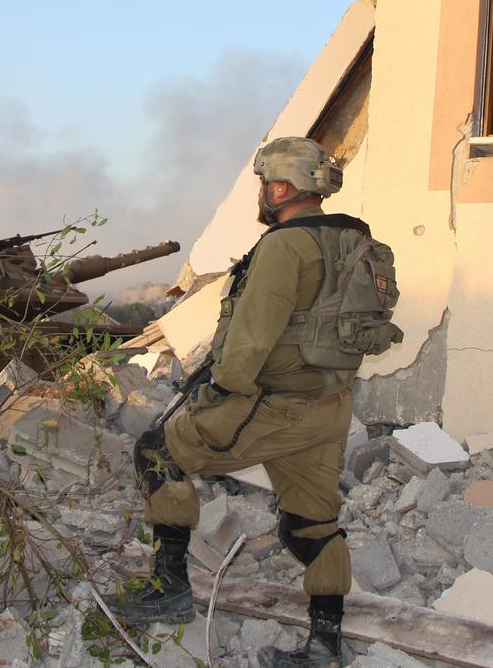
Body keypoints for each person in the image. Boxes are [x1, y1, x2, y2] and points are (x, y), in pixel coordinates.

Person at [110, 137, 380, 668]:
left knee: (156, 452)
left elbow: (251, 340)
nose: (260, 192)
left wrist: (216, 392)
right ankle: (325, 643)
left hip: (271, 405)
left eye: (264, 182)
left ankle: (170, 588)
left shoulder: (284, 246)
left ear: (282, 186)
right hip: (328, 406)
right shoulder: (351, 238)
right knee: (312, 522)